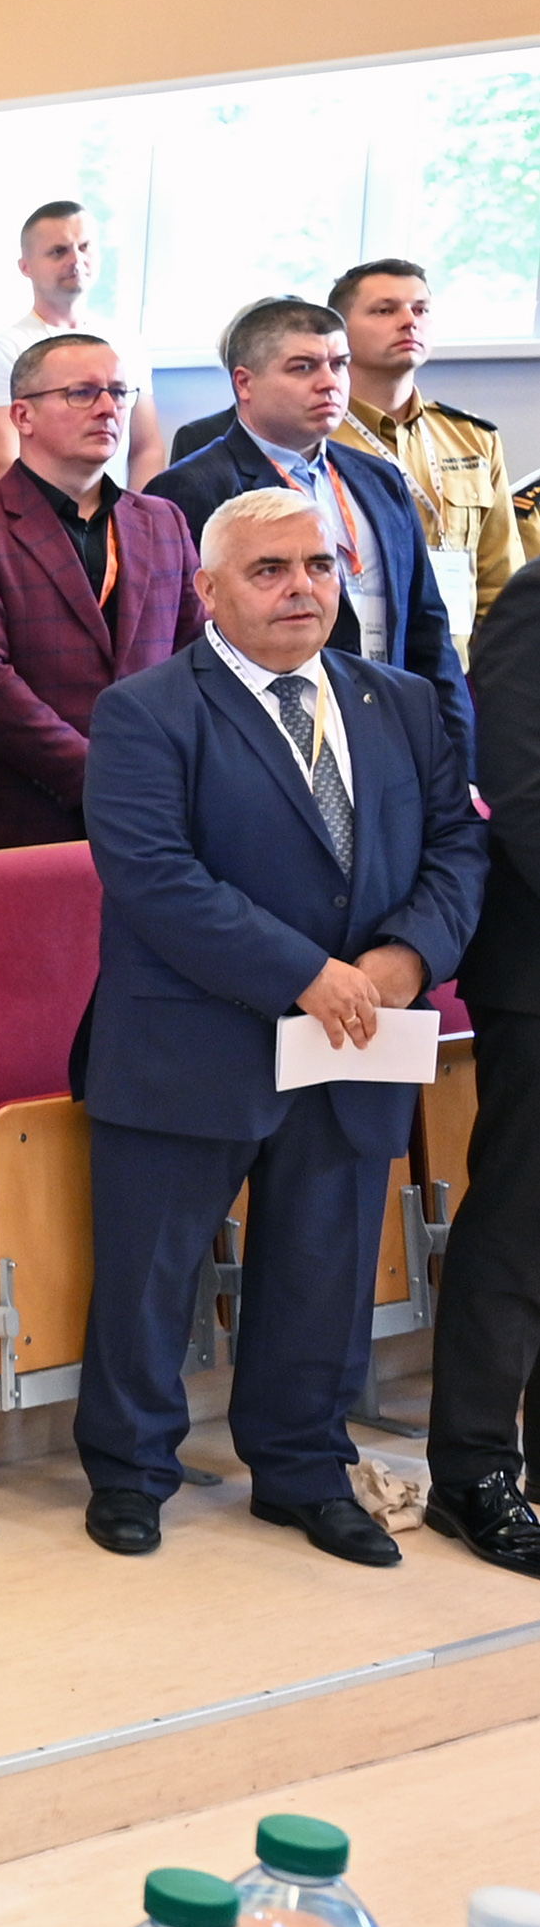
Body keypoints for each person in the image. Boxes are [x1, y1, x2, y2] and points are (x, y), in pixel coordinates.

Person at [74, 488, 486, 1565]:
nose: (300, 587)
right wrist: (304, 973)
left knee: (323, 1264)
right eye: (268, 569)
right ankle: (129, 1471)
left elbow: (456, 845)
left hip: (356, 1039)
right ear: (207, 590)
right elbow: (153, 876)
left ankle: (301, 1468)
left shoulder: (399, 701)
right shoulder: (145, 710)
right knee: (149, 1275)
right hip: (190, 1037)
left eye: (317, 565)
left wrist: (406, 957)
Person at [150, 297, 472, 778]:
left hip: (395, 734)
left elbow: (427, 627)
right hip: (266, 749)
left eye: (339, 364)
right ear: (244, 383)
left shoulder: (380, 479)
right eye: (303, 367)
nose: (330, 382)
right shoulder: (192, 488)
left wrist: (459, 760)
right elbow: (185, 641)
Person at [0, 332, 204, 848]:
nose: (108, 408)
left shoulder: (163, 521)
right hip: (29, 812)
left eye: (119, 392)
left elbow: (197, 656)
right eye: (82, 393)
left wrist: (169, 769)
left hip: (160, 804)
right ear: (22, 416)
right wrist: (102, 777)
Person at [431, 570, 540, 1575]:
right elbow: (515, 786)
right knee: (516, 1226)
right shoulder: (534, 601)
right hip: (534, 972)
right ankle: (469, 1470)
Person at [331, 260, 517, 636]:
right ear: (340, 331)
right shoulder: (316, 440)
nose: (409, 321)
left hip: (459, 656)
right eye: (385, 310)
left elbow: (500, 584)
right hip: (357, 654)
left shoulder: (472, 438)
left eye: (420, 309)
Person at [0, 201, 167, 486]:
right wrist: (74, 512)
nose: (76, 259)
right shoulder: (1, 351)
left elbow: (146, 449)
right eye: (58, 251)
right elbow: (3, 461)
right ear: (25, 266)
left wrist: (136, 510)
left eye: (85, 247)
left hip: (118, 511)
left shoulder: (127, 344)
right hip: (38, 512)